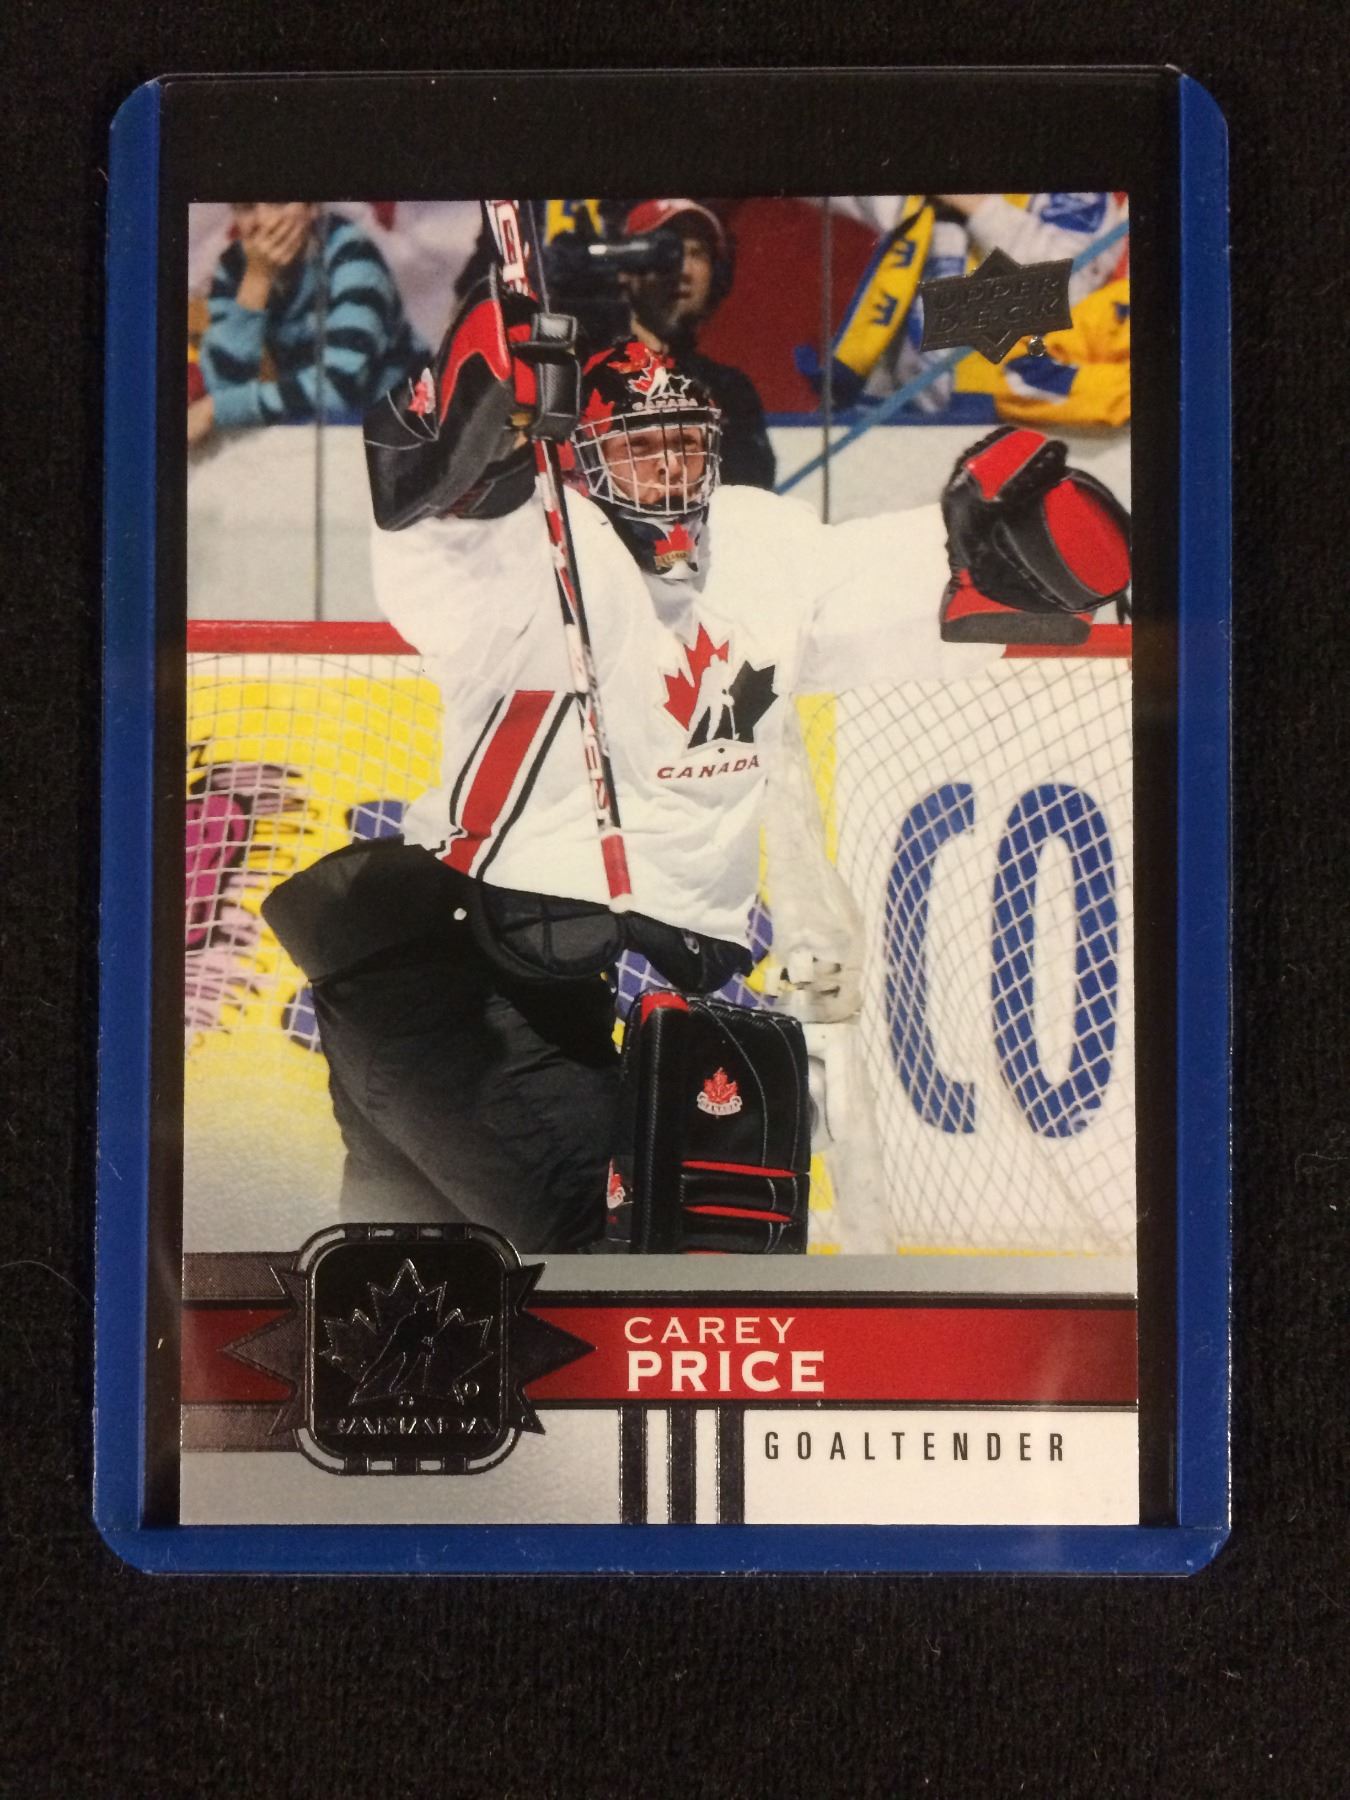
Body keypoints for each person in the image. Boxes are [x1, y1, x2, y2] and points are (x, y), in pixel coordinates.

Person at [261, 274, 1130, 1254]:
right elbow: (429, 507)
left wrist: (1005, 552)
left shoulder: (758, 546)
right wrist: (488, 394)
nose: (668, 473)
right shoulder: (533, 549)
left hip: (522, 1001)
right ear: (581, 461)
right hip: (451, 995)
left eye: (683, 444)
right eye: (639, 450)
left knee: (428, 1290)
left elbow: (916, 579)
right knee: (618, 1257)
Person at [189, 203, 425, 448]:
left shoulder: (351, 253)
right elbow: (222, 391)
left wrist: (218, 409)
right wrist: (257, 281)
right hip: (315, 422)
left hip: (400, 421)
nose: (264, 221)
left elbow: (340, 387)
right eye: (246, 207)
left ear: (312, 208)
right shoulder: (236, 268)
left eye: (277, 202)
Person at [615, 199, 776, 490]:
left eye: (696, 253)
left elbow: (750, 494)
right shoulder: (586, 373)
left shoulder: (732, 391)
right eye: (667, 251)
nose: (684, 270)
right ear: (626, 267)